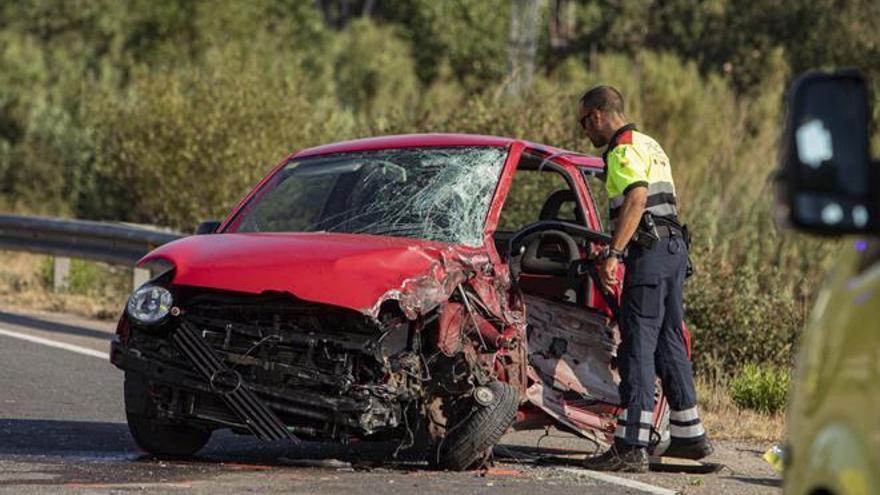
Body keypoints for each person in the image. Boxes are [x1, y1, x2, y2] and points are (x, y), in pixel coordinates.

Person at [577, 85, 712, 472]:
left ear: (599, 115)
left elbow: (637, 198)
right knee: (670, 338)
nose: (585, 131)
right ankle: (689, 437)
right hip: (673, 250)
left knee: (638, 341)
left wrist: (614, 254)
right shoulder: (650, 144)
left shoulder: (621, 150)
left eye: (585, 122)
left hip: (649, 252)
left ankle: (630, 446)